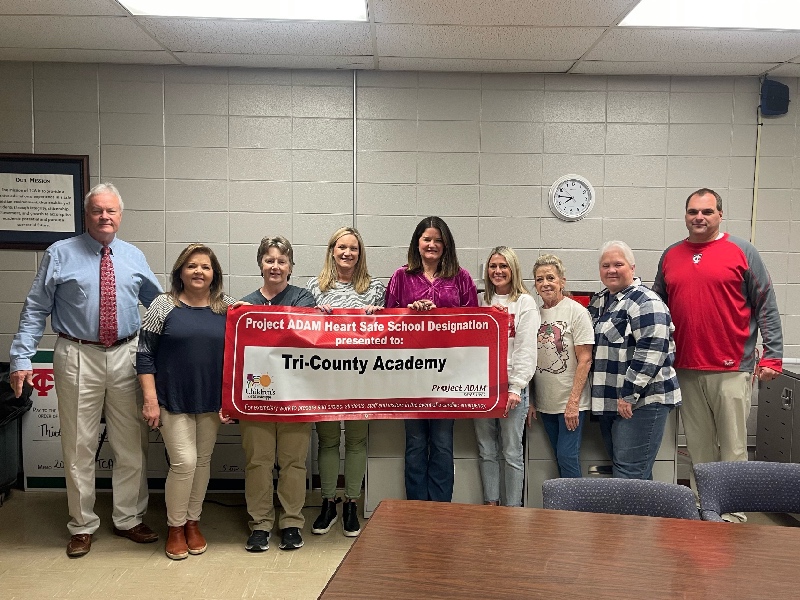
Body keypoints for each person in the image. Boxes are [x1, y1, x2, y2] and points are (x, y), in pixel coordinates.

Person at [8, 182, 162, 557]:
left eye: (111, 211)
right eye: (97, 211)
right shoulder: (60, 253)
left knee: (131, 445)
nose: (105, 217)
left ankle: (128, 518)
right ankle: (82, 524)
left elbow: (159, 306)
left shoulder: (133, 255)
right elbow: (35, 308)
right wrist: (21, 357)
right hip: (77, 355)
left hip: (127, 355)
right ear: (86, 215)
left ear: (120, 216)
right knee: (79, 445)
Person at [653, 188, 783, 518]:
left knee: (734, 447)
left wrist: (772, 355)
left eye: (707, 212)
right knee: (699, 448)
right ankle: (705, 509)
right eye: (693, 211)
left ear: (720, 215)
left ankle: (734, 514)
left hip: (732, 367)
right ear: (685, 215)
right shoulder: (670, 255)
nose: (699, 217)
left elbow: (766, 303)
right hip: (686, 368)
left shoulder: (742, 251)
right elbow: (658, 309)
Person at [137, 244, 236, 560]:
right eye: (191, 266)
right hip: (171, 399)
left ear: (214, 274)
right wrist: (150, 400)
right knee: (185, 462)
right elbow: (144, 355)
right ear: (180, 271)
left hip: (211, 400)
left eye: (205, 267)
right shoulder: (162, 306)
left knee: (203, 462)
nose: (198, 272)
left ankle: (193, 522)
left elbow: (255, 336)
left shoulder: (228, 308)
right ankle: (175, 526)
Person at [385, 216, 478, 502]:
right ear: (417, 243)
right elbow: (387, 323)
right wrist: (409, 313)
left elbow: (473, 323)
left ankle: (439, 508)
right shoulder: (401, 277)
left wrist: (439, 314)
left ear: (446, 244)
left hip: (447, 377)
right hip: (410, 374)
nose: (432, 244)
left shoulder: (461, 278)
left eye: (438, 240)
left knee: (441, 444)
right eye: (427, 239)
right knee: (414, 444)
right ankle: (416, 507)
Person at [239, 236, 316, 552]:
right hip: (257, 395)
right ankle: (260, 525)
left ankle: (292, 523)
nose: (275, 266)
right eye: (269, 260)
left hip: (296, 397)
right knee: (258, 462)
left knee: (293, 463)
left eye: (281, 261)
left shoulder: (303, 298)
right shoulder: (243, 305)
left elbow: (303, 335)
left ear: (291, 267)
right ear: (260, 265)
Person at [307, 227, 385, 537]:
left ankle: (351, 503)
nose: (347, 253)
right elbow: (301, 331)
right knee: (327, 441)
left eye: (353, 248)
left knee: (356, 442)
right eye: (342, 247)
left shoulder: (374, 288)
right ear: (332, 250)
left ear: (360, 253)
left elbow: (391, 328)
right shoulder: (314, 287)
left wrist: (379, 315)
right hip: (325, 378)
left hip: (361, 379)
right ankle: (328, 502)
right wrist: (314, 314)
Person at [588, 241, 681, 480]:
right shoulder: (601, 301)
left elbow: (651, 351)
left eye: (618, 264)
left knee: (629, 474)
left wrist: (628, 394)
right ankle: (641, 518)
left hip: (642, 401)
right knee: (631, 472)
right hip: (613, 401)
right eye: (605, 265)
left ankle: (628, 519)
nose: (611, 270)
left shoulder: (646, 301)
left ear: (632, 267)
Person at [474, 247, 538, 506]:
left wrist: (516, 387)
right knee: (486, 450)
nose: (497, 271)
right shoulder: (481, 301)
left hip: (512, 388)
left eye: (503, 266)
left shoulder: (525, 302)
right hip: (482, 388)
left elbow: (526, 348)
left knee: (511, 452)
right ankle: (491, 504)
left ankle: (512, 510)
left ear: (513, 269)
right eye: (493, 266)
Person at [528, 254, 593, 478]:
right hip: (546, 404)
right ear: (535, 286)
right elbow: (530, 361)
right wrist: (533, 400)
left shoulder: (577, 312)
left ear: (561, 282)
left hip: (570, 404)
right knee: (559, 456)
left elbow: (585, 359)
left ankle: (575, 511)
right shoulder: (534, 315)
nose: (545, 283)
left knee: (567, 456)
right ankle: (564, 507)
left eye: (550, 278)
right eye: (539, 279)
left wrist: (573, 403)